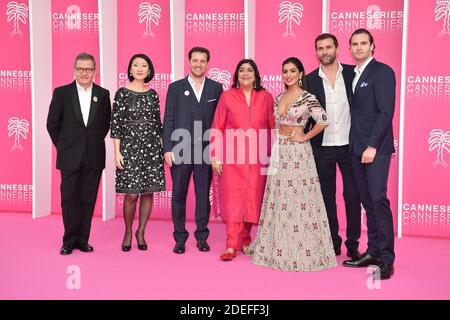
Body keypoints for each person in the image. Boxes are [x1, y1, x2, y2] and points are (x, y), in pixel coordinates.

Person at [247, 57, 337, 271]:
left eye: (292, 71)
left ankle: (302, 248)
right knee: (280, 198)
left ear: (300, 74)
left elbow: (323, 120)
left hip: (298, 153)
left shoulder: (307, 97)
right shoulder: (279, 97)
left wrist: (305, 137)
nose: (288, 75)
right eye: (285, 71)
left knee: (299, 198)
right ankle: (278, 245)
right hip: (280, 151)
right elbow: (277, 124)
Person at [342, 29, 396, 280]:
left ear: (372, 46)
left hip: (375, 149)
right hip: (356, 149)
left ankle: (386, 259)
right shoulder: (352, 74)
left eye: (364, 43)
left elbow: (386, 112)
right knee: (367, 202)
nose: (359, 47)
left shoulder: (382, 72)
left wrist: (372, 145)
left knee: (378, 200)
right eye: (354, 44)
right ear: (350, 48)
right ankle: (373, 251)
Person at [210, 59, 275, 261]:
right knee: (233, 201)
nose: (245, 73)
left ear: (256, 75)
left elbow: (274, 128)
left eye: (249, 70)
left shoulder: (266, 97)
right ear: (236, 76)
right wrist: (215, 156)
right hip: (232, 157)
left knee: (253, 199)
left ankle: (246, 240)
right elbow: (217, 127)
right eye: (241, 70)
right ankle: (231, 245)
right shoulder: (227, 97)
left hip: (258, 158)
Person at [47, 52, 111, 255]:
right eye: (80, 69)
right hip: (69, 156)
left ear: (94, 71)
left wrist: (89, 142)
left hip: (93, 155)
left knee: (88, 199)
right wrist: (65, 146)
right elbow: (52, 125)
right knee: (69, 199)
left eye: (89, 69)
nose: (84, 72)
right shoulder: (61, 93)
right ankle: (69, 240)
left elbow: (105, 124)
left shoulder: (103, 94)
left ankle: (83, 240)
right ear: (74, 70)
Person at [305, 33, 361, 260]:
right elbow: (304, 115)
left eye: (329, 47)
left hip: (350, 146)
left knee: (352, 196)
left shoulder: (352, 74)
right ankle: (333, 242)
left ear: (338, 49)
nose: (325, 51)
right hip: (322, 147)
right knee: (326, 197)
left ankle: (353, 244)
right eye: (320, 48)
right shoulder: (309, 80)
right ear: (316, 51)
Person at [163, 47, 223, 254]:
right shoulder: (176, 87)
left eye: (202, 61)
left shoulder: (216, 88)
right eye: (195, 60)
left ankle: (202, 236)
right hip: (179, 149)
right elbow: (168, 118)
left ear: (208, 63)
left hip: (205, 151)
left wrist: (217, 151)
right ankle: (179, 238)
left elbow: (219, 122)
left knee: (202, 195)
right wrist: (167, 148)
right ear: (188, 62)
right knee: (178, 194)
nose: (198, 64)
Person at [110, 54, 166, 252]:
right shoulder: (122, 93)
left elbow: (158, 125)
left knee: (148, 192)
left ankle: (141, 232)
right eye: (136, 65)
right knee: (132, 195)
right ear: (130, 69)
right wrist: (117, 153)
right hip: (130, 149)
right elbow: (116, 126)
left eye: (144, 65)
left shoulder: (153, 95)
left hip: (151, 150)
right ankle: (127, 231)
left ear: (149, 70)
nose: (140, 68)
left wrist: (162, 149)